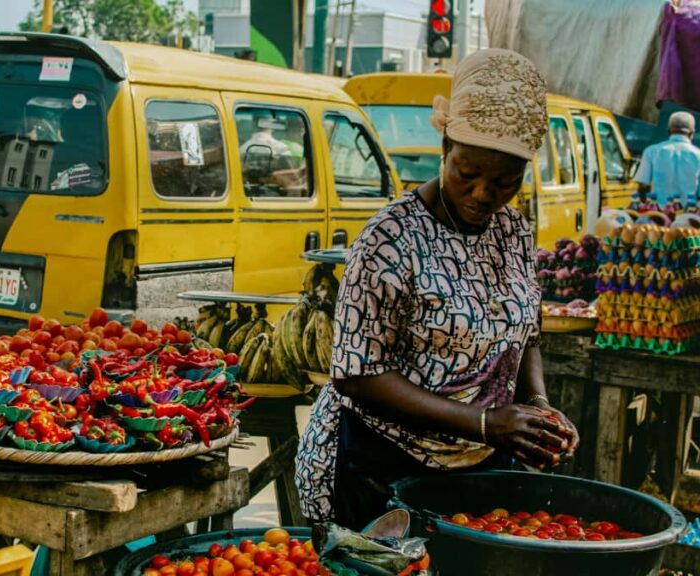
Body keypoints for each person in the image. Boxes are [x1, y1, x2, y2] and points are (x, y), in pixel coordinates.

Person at [295, 48, 580, 535]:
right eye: (467, 174)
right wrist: (485, 422)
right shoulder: (390, 239)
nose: (483, 195)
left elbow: (525, 332)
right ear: (444, 146)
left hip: (481, 468)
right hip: (382, 468)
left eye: (504, 182)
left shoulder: (512, 229)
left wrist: (536, 406)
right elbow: (357, 374)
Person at [634, 111, 700, 208]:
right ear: (691, 134)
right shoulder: (698, 155)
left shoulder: (651, 151)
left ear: (669, 131)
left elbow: (642, 187)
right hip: (688, 217)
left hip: (657, 216)